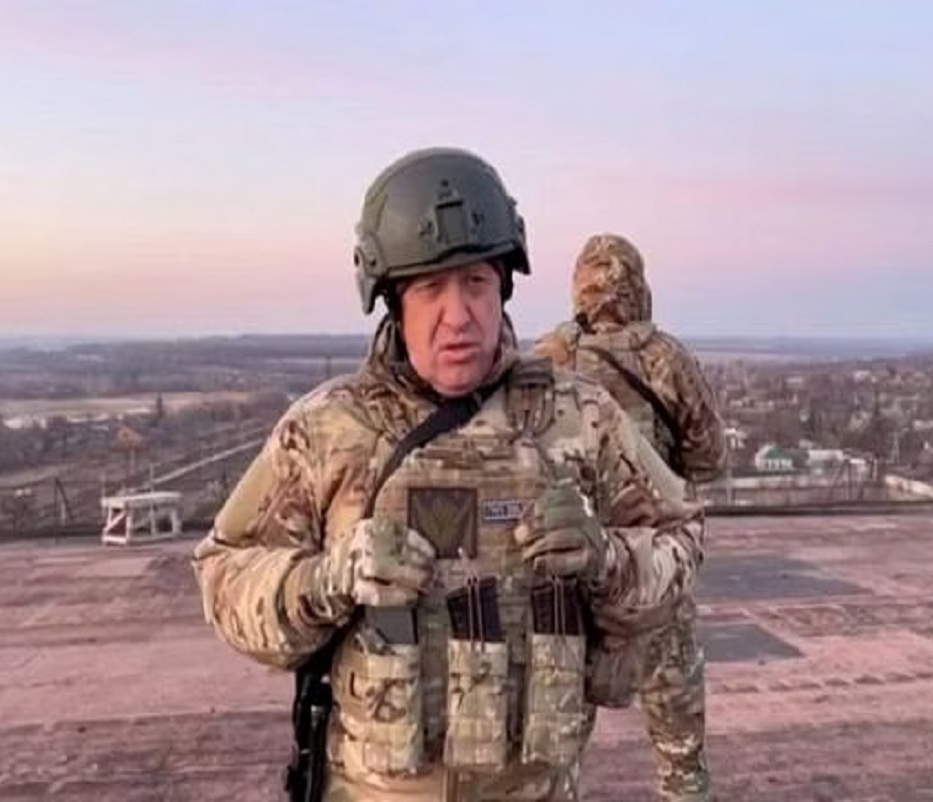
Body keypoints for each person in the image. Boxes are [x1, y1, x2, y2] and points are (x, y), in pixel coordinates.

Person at [191, 147, 706, 802]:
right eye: (431, 289)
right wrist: (327, 581)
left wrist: (605, 558)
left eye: (477, 283)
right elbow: (223, 578)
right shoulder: (329, 430)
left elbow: (682, 542)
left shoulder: (581, 419)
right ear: (392, 301)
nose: (458, 314)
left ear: (504, 287)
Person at [533, 233, 727, 801]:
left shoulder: (544, 360)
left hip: (570, 578)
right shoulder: (666, 359)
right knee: (681, 759)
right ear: (639, 288)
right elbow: (710, 459)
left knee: (549, 763)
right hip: (652, 572)